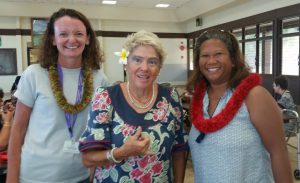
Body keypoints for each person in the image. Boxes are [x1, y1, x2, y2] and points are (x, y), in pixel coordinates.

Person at [7, 8, 109, 183]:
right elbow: (17, 131)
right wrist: (11, 178)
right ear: (53, 39)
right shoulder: (34, 74)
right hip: (35, 176)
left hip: (81, 175)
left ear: (88, 38)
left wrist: (93, 173)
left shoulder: (99, 79)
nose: (72, 39)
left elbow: (99, 133)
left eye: (78, 33)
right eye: (63, 34)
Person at [79, 30, 189, 183]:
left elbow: (179, 149)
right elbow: (88, 159)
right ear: (125, 63)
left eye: (152, 62)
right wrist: (121, 152)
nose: (144, 68)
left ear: (159, 68)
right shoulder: (105, 97)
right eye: (137, 60)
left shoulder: (170, 97)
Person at [186, 29, 292, 182]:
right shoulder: (199, 99)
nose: (211, 61)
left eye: (218, 54)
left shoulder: (255, 96)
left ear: (233, 59)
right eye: (205, 56)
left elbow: (279, 153)